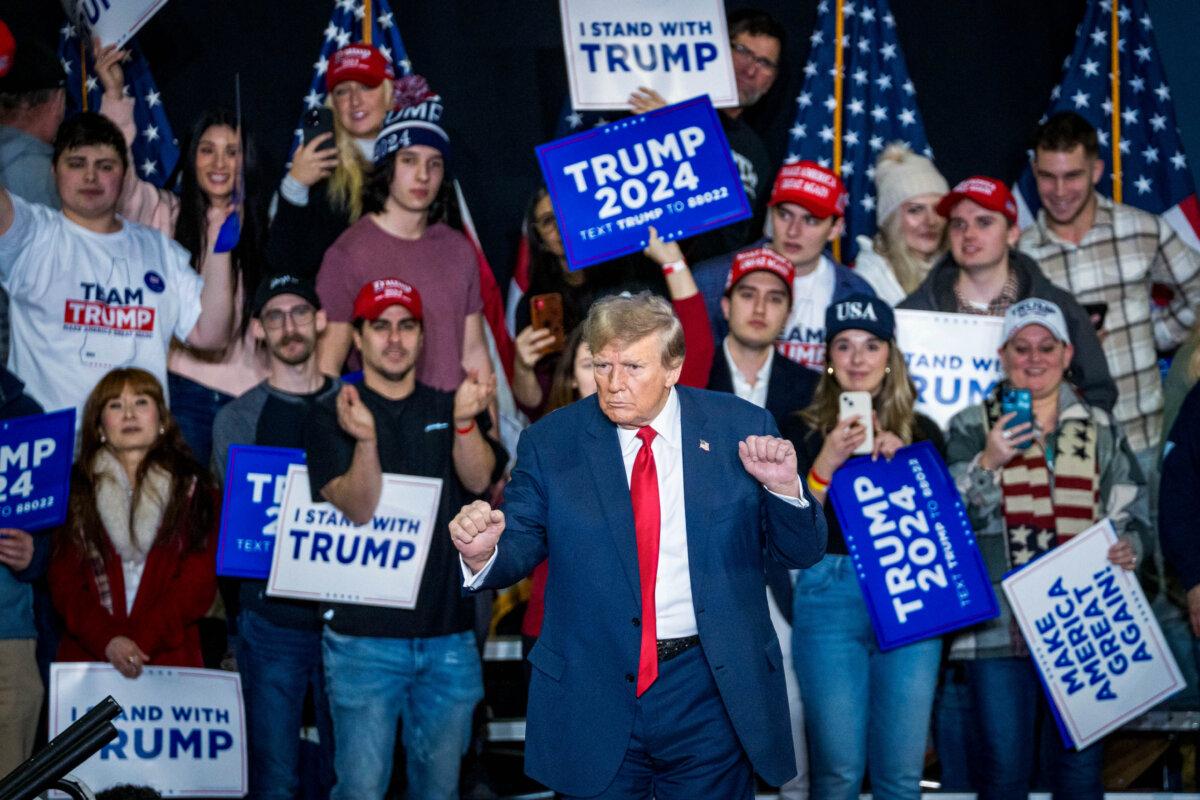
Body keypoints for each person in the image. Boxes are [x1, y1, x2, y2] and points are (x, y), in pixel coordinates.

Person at [450, 291, 828, 799]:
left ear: (673, 368)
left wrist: (785, 489)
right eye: (602, 365)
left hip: (709, 687)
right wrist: (484, 552)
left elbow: (800, 551)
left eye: (632, 366)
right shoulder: (554, 441)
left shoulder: (739, 429)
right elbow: (518, 536)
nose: (612, 383)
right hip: (594, 686)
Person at [304, 278, 506, 799]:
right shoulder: (332, 410)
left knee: (439, 793)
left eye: (407, 325)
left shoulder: (450, 404)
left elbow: (481, 479)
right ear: (358, 337)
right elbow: (358, 505)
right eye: (380, 326)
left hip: (448, 638)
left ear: (422, 336)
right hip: (362, 642)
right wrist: (366, 441)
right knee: (361, 792)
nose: (394, 338)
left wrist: (464, 423)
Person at [944, 298, 1146, 799]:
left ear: (1067, 352)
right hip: (997, 629)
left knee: (1079, 775)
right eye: (1021, 348)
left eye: (1046, 347)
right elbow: (950, 527)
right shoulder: (972, 425)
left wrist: (1129, 546)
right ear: (1003, 354)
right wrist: (988, 462)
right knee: (1005, 773)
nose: (1034, 358)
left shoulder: (1099, 425)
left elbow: (1133, 507)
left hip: (1083, 626)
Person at [778, 294, 943, 800]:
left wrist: (906, 471)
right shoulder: (800, 429)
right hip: (829, 591)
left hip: (911, 594)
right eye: (844, 345)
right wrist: (824, 464)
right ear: (828, 356)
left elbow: (945, 537)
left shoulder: (925, 432)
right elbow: (785, 531)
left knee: (899, 778)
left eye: (871, 346)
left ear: (890, 355)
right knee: (838, 776)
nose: (857, 359)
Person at [0, 112, 235, 430]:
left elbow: (210, 335)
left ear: (124, 174)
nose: (91, 177)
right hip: (51, 456)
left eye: (105, 166)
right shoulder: (33, 234)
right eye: (77, 163)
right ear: (54, 170)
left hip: (137, 456)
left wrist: (220, 243)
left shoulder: (159, 249)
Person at [94, 42, 269, 463]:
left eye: (232, 151)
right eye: (208, 149)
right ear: (192, 156)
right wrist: (115, 98)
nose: (220, 162)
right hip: (181, 390)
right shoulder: (161, 212)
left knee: (235, 522)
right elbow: (117, 183)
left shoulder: (263, 224)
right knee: (182, 516)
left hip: (247, 398)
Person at [210, 273, 337, 800]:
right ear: (259, 331)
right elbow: (232, 525)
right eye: (275, 316)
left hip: (347, 623)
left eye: (300, 312)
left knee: (351, 778)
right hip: (271, 620)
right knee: (273, 780)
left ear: (322, 321)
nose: (290, 327)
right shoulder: (236, 419)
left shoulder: (355, 406)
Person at [1020, 110, 1200, 458]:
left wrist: (1155, 334)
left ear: (1096, 171)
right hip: (1062, 447)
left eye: (1072, 176)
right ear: (1035, 173)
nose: (1059, 191)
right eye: (1047, 176)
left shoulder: (1142, 229)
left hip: (1142, 435)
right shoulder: (1021, 256)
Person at [705, 246, 818, 800]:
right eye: (747, 295)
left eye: (774, 299)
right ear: (725, 304)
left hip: (781, 566)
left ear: (787, 313)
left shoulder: (809, 386)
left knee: (791, 697)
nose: (759, 308)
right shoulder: (691, 373)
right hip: (705, 563)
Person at [315, 83, 493, 392]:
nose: (423, 175)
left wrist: (488, 429)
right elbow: (327, 366)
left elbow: (474, 350)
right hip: (383, 428)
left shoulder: (458, 249)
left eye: (434, 164)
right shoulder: (347, 254)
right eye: (409, 160)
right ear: (387, 167)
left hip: (458, 425)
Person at [49, 368, 218, 673]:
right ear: (99, 426)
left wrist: (141, 642)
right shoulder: (71, 491)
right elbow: (64, 584)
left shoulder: (196, 489)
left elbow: (198, 584)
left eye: (141, 402)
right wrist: (109, 641)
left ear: (162, 420)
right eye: (115, 405)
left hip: (170, 661)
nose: (129, 414)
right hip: (90, 660)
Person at [898, 175, 1116, 411]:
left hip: (1037, 447)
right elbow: (888, 385)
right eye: (959, 224)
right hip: (937, 446)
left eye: (984, 222)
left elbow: (1099, 390)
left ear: (1012, 233)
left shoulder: (1057, 306)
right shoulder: (912, 314)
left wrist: (1064, 434)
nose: (969, 234)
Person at [694, 161, 876, 371]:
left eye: (810, 220)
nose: (793, 231)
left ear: (835, 228)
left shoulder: (858, 293)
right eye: (785, 214)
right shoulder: (712, 280)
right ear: (770, 214)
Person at [267, 42, 395, 280]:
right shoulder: (319, 170)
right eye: (342, 91)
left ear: (389, 95)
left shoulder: (417, 160)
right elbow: (284, 268)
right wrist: (295, 187)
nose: (355, 100)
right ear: (332, 104)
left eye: (367, 86)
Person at [0, 366, 45, 777]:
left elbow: (54, 528)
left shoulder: (25, 413)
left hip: (8, 634)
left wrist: (34, 552)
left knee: (11, 779)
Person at [853, 143, 949, 305]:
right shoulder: (867, 281)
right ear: (891, 221)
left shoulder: (959, 270)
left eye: (938, 209)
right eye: (916, 210)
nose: (931, 221)